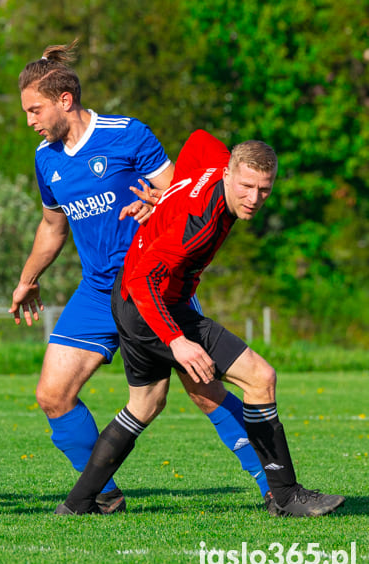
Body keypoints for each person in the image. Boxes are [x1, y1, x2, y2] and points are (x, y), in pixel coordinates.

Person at [8, 40, 271, 514]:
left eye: (35, 109)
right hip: (95, 290)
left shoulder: (127, 135)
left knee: (205, 389)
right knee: (52, 395)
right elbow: (52, 225)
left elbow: (183, 187)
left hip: (148, 282)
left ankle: (272, 487)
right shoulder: (46, 158)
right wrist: (28, 278)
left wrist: (157, 203)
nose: (30, 120)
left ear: (65, 101)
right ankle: (101, 494)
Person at [54, 129, 345, 517]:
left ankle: (77, 504)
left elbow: (197, 139)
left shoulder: (213, 162)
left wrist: (171, 195)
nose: (254, 198)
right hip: (149, 303)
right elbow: (145, 282)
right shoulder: (200, 223)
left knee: (144, 404)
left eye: (264, 190)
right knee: (260, 377)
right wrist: (178, 341)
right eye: (246, 186)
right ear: (227, 173)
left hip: (129, 299)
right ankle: (286, 495)